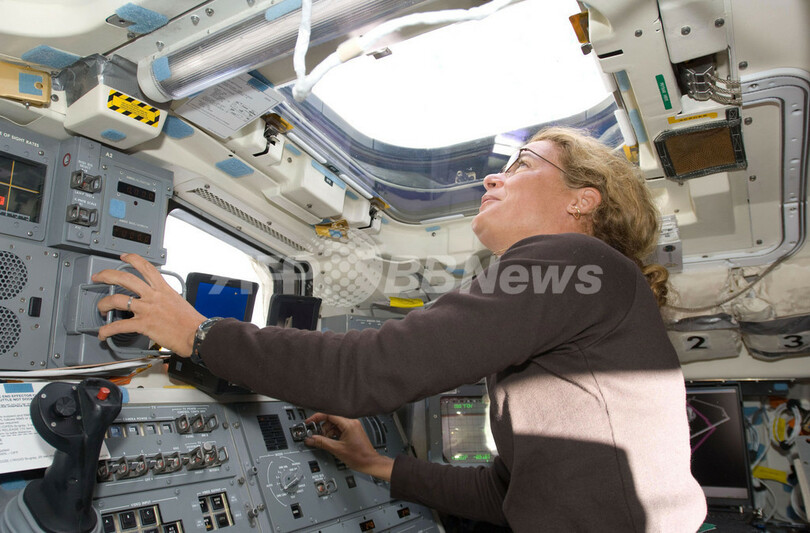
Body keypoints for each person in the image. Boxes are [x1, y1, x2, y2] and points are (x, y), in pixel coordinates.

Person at [92, 127, 707, 532]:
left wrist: (198, 334)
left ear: (583, 200)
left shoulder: (577, 261)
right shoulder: (583, 290)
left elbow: (364, 372)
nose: (492, 178)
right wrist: (380, 465)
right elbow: (509, 495)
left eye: (522, 164)